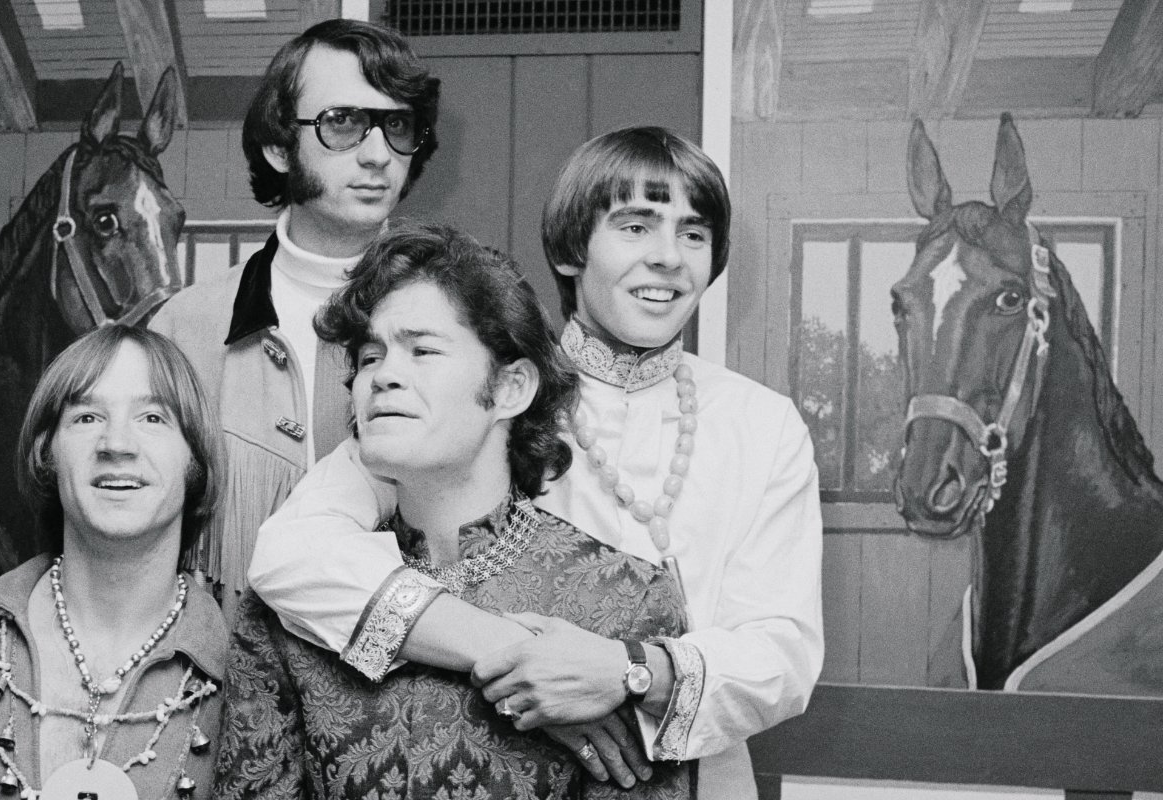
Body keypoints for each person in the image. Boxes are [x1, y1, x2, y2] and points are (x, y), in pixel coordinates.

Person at [247, 128, 824, 799]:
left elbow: (783, 652)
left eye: (693, 234)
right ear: (573, 246)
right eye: (636, 226)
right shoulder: (478, 394)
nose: (669, 257)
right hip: (498, 752)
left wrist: (627, 672)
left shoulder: (761, 423)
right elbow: (293, 554)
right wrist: (512, 652)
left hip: (710, 771)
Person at [216, 222, 692, 799]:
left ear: (511, 388)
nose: (383, 376)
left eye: (423, 350)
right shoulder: (285, 608)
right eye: (369, 357)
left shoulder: (625, 601)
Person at [148, 19, 439, 619]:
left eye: (397, 124)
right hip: (221, 690)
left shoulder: (462, 316)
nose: (379, 153)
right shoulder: (185, 328)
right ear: (278, 147)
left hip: (405, 696)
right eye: (343, 123)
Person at [0, 325, 229, 800]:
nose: (116, 443)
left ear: (195, 461)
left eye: (153, 418)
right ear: (46, 454)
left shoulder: (250, 678)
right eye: (86, 417)